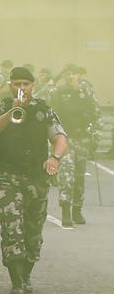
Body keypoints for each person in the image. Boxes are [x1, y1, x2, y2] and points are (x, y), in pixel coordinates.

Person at [0, 67, 67, 294]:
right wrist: (12, 111)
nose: (21, 88)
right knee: (11, 228)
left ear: (32, 86)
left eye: (26, 84)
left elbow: (60, 137)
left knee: (33, 231)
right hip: (8, 177)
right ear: (10, 85)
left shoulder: (43, 109)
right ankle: (16, 281)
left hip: (36, 177)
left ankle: (26, 272)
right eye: (17, 83)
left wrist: (55, 158)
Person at [49, 64, 101, 227]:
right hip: (65, 138)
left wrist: (96, 137)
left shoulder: (87, 92)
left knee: (79, 176)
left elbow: (96, 114)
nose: (70, 76)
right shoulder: (57, 92)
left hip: (82, 139)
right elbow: (51, 117)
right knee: (66, 173)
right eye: (67, 74)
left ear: (79, 75)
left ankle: (77, 209)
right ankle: (66, 209)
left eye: (74, 74)